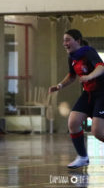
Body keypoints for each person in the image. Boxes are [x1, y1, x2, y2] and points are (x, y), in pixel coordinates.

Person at [49, 29, 104, 169]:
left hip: (102, 93)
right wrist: (60, 86)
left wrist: (89, 76)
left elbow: (101, 67)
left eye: (68, 40)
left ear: (77, 41)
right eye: (63, 40)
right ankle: (83, 157)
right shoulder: (72, 58)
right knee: (73, 122)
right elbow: (72, 76)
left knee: (97, 131)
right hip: (88, 94)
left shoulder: (88, 52)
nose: (64, 43)